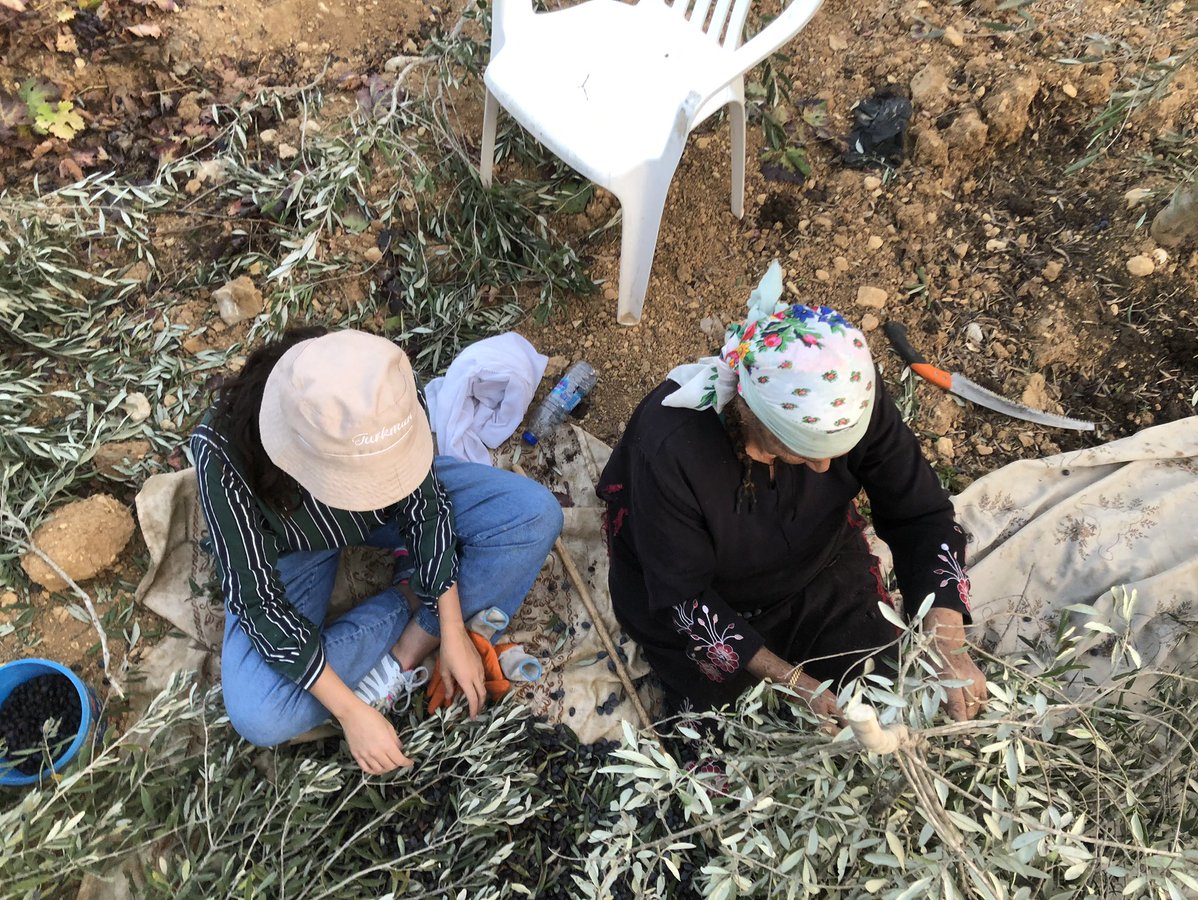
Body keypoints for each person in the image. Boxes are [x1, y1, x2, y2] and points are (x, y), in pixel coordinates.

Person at [597, 262, 987, 722]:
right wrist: (794, 681)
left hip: (816, 571)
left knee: (887, 690)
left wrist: (947, 640)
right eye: (802, 451)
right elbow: (683, 598)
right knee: (740, 738)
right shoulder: (670, 449)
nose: (825, 468)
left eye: (836, 451)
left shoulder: (845, 396)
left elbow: (920, 513)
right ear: (752, 414)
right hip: (703, 605)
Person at [191, 327, 562, 774]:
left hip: (390, 512)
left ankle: (412, 644)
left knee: (534, 514)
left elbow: (426, 507)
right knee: (260, 713)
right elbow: (259, 603)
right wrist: (350, 711)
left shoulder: (382, 391)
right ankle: (409, 596)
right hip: (297, 546)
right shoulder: (225, 451)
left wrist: (447, 623)